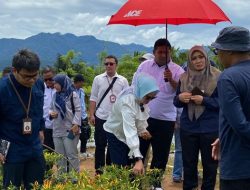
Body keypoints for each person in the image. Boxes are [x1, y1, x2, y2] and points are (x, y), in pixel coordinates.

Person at [133, 38, 184, 189]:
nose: (163, 54)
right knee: (138, 152)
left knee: (160, 155)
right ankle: (135, 184)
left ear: (170, 52)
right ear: (154, 52)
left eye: (166, 52)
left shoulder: (177, 70)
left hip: (166, 119)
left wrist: (172, 80)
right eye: (160, 52)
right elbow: (134, 86)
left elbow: (182, 93)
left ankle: (156, 185)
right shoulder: (144, 66)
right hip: (144, 117)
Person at [174, 45, 220, 190]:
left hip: (209, 129)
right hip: (188, 128)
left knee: (210, 166)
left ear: (206, 58)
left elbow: (223, 103)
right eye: (194, 58)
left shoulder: (218, 76)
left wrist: (204, 100)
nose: (198, 61)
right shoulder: (184, 77)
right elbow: (176, 102)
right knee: (188, 164)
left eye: (201, 57)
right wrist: (180, 98)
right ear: (189, 61)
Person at [211, 26, 250, 190]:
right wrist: (225, 134)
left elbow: (241, 125)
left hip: (238, 167)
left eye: (216, 50)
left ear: (228, 51)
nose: (218, 55)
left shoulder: (227, 77)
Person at [0, 49, 45, 189]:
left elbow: (39, 110)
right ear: (14, 70)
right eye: (27, 76)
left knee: (36, 186)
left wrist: (41, 129)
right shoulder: (3, 89)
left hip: (34, 146)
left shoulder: (39, 84)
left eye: (35, 75)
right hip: (13, 148)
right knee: (12, 187)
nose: (32, 80)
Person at [104, 73, 159, 175]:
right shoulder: (127, 102)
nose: (149, 101)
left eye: (152, 98)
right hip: (116, 133)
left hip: (127, 135)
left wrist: (143, 130)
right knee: (120, 167)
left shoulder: (140, 98)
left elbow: (140, 114)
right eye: (148, 97)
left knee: (130, 166)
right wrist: (138, 159)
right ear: (142, 92)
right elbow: (130, 131)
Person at [89, 55, 129, 175]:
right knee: (100, 144)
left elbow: (127, 99)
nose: (109, 66)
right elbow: (93, 98)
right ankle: (99, 170)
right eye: (106, 64)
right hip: (101, 116)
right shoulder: (98, 79)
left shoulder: (123, 80)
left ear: (116, 65)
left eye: (111, 64)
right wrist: (92, 114)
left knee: (114, 145)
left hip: (116, 119)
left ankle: (111, 169)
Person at [50, 74, 81, 172]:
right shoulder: (55, 96)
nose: (54, 86)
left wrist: (76, 124)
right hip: (57, 130)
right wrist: (51, 114)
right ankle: (61, 179)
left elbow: (78, 110)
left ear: (63, 83)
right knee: (60, 157)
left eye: (57, 84)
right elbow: (51, 109)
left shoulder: (73, 95)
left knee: (72, 155)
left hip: (70, 129)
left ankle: (74, 179)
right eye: (54, 84)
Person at [73, 74, 92, 159]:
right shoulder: (71, 91)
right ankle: (72, 153)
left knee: (85, 133)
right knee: (74, 135)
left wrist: (86, 115)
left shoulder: (82, 91)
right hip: (74, 117)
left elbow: (83, 104)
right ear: (77, 82)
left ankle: (83, 152)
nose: (82, 84)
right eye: (81, 82)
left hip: (83, 116)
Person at [42, 66, 56, 152]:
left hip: (59, 127)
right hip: (46, 126)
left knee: (60, 152)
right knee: (47, 151)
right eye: (45, 79)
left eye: (50, 79)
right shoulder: (41, 88)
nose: (48, 81)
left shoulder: (61, 88)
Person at [172, 108, 183, 183]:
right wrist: (174, 121)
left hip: (194, 125)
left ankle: (192, 173)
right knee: (179, 150)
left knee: (193, 150)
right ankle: (177, 175)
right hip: (179, 123)